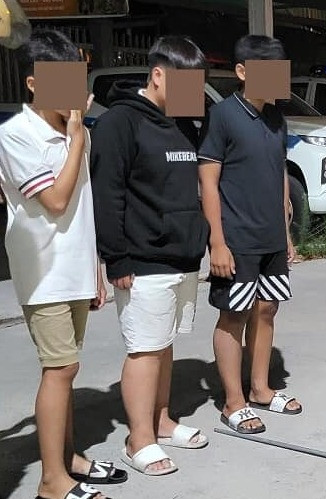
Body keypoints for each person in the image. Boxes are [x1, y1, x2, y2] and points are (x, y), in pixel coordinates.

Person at [0, 29, 120, 499]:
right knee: (60, 369)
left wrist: (94, 267)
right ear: (33, 84)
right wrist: (74, 137)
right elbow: (55, 199)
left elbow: (83, 206)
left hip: (74, 268)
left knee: (67, 369)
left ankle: (69, 458)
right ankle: (52, 483)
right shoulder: (16, 135)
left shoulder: (79, 135)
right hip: (44, 271)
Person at [89, 35, 211, 476]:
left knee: (165, 344)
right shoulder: (120, 123)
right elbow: (108, 193)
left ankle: (161, 421)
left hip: (182, 256)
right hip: (141, 259)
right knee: (143, 349)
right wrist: (115, 258)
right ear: (158, 75)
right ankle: (137, 439)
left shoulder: (183, 121)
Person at [198, 34, 301, 435]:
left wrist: (286, 232)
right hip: (235, 238)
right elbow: (208, 183)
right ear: (242, 72)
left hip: (271, 237)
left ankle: (260, 388)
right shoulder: (223, 115)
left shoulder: (277, 117)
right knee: (234, 313)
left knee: (267, 308)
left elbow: (279, 175)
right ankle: (233, 402)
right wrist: (217, 242)